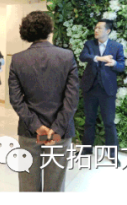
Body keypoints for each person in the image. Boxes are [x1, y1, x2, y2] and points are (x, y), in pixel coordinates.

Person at [8, 11, 79, 191]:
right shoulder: (67, 56)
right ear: (49, 29)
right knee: (55, 186)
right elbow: (72, 98)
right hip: (60, 132)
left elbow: (16, 99)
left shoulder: (18, 59)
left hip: (29, 130)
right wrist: (57, 128)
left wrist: (37, 126)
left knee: (28, 185)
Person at [79, 19, 126, 156]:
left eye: (99, 28)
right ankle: (86, 149)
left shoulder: (117, 46)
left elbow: (121, 66)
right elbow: (83, 57)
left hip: (107, 90)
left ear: (108, 31)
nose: (96, 30)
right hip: (90, 88)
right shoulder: (89, 44)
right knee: (89, 121)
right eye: (95, 28)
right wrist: (99, 58)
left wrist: (114, 63)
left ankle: (113, 154)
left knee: (109, 123)